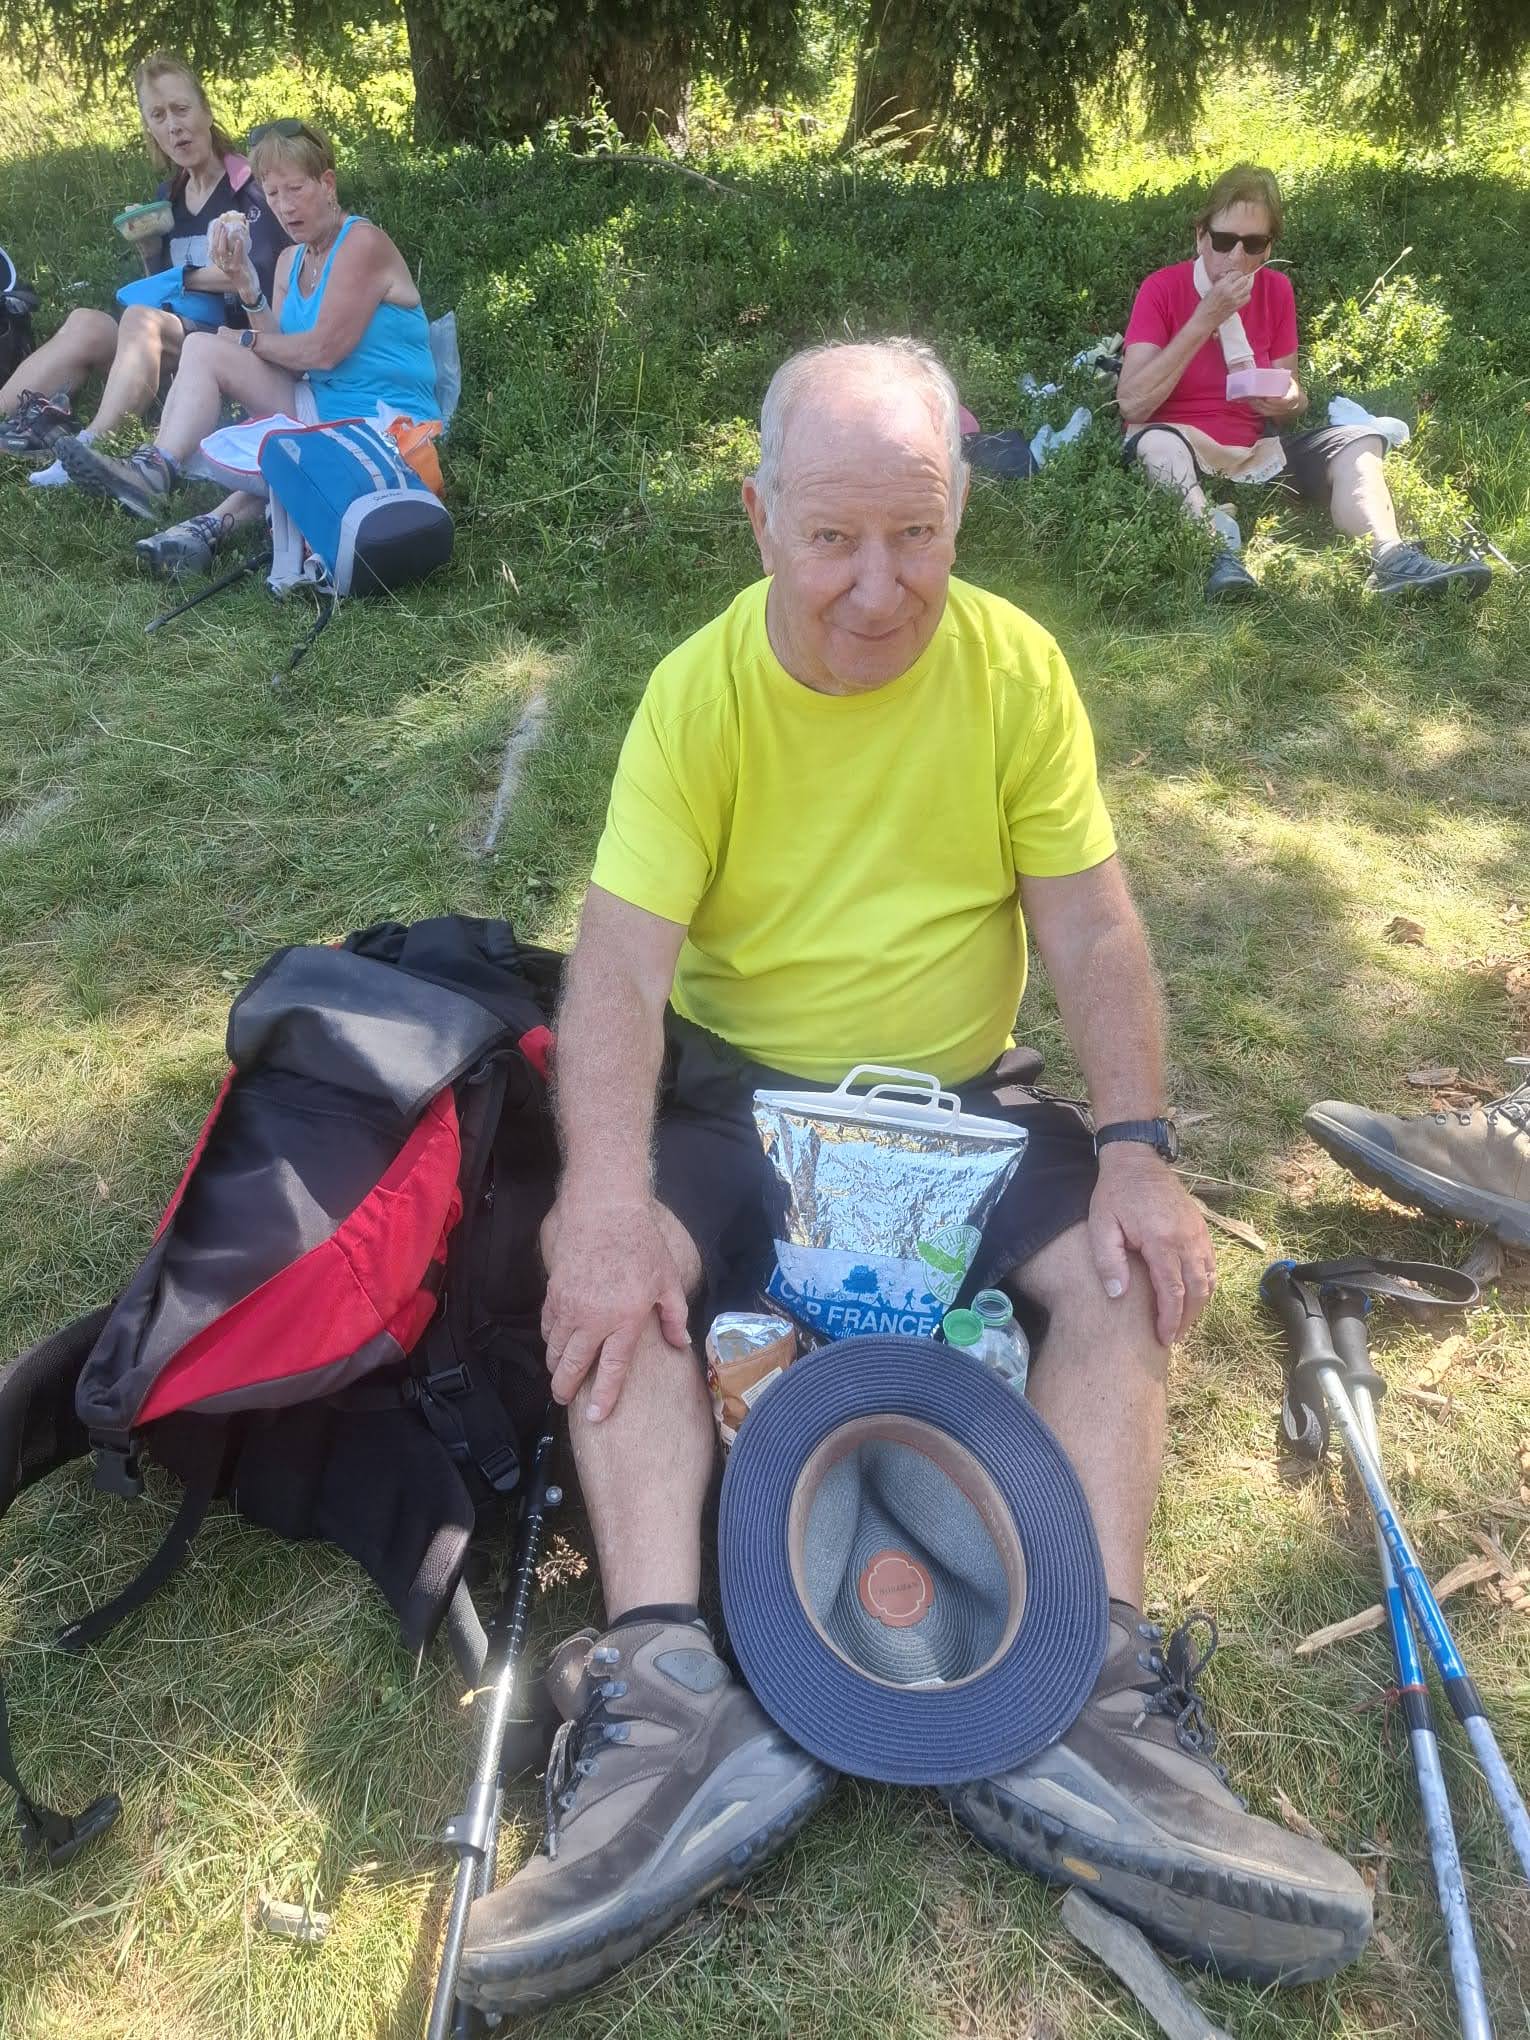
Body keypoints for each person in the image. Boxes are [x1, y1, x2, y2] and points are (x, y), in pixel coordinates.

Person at [454, 340, 1374, 2014]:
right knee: (611, 1279)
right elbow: (620, 975)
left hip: (958, 1100)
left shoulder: (1015, 670)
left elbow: (1089, 928)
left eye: (918, 534)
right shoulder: (696, 697)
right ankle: (665, 1716)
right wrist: (602, 1200)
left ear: (959, 515)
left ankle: (1093, 1698)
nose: (879, 589)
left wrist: (1140, 1150)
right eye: (832, 540)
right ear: (759, 521)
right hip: (737, 1099)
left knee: (1120, 1270)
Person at [58, 120, 441, 579]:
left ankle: (203, 528)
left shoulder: (362, 242)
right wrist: (245, 285)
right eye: (272, 193)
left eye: (295, 189)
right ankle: (154, 470)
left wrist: (242, 337)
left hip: (385, 420)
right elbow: (283, 356)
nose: (284, 206)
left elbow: (321, 353)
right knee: (201, 347)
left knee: (296, 457)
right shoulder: (290, 259)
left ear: (327, 184)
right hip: (319, 402)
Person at [1117, 163, 1490, 602]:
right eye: (1223, 241)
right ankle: (1217, 554)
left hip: (1255, 445)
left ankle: (1392, 558)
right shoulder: (1161, 289)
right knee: (1156, 445)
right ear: (1201, 236)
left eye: (1252, 244)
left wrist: (1289, 401)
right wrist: (1205, 318)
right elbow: (1133, 404)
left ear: (1268, 248)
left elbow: (1292, 392)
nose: (1235, 258)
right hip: (1179, 439)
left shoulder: (1275, 290)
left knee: (1360, 441)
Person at [0, 53, 287, 485]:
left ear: (206, 112)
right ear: (149, 128)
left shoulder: (248, 188)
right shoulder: (167, 197)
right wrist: (152, 253)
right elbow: (163, 287)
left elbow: (256, 272)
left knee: (140, 317)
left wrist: (178, 278)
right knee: (87, 323)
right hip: (174, 337)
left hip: (229, 345)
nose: (173, 126)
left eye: (181, 109)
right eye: (158, 115)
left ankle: (92, 446)